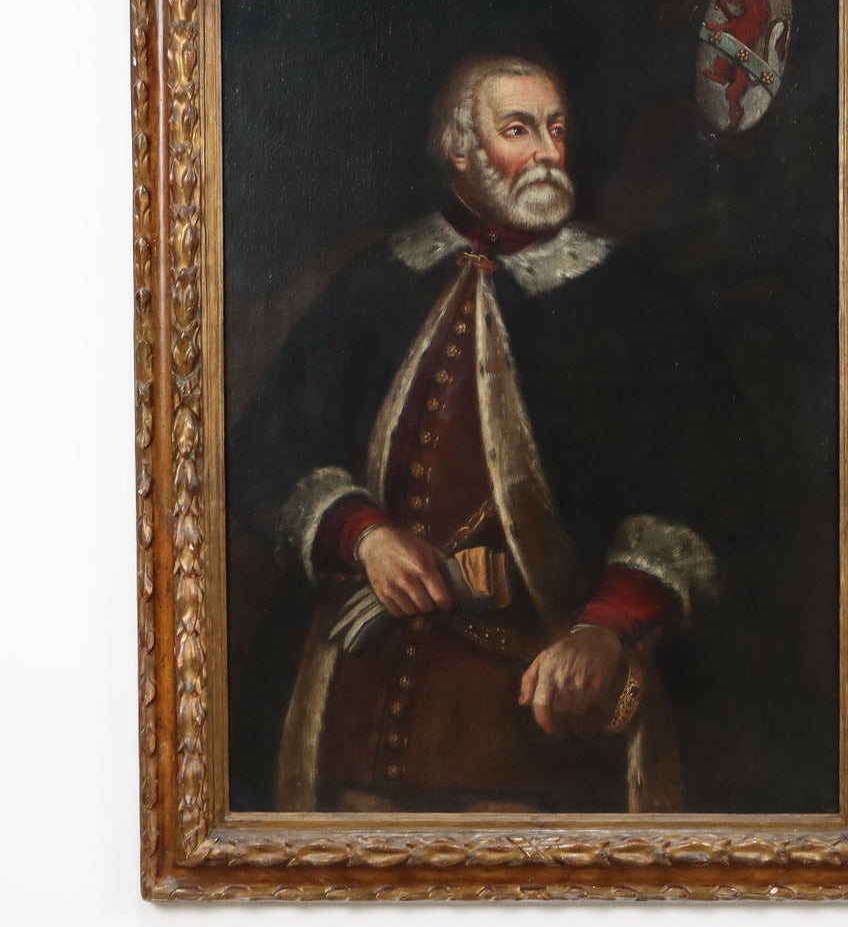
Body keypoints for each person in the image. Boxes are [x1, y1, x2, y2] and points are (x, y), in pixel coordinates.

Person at [228, 54, 754, 814]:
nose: (546, 152)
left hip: (545, 695)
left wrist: (608, 627)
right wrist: (363, 535)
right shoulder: (378, 281)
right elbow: (265, 452)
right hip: (359, 690)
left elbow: (715, 490)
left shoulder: (636, 302)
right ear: (458, 148)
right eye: (518, 130)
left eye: (555, 129)